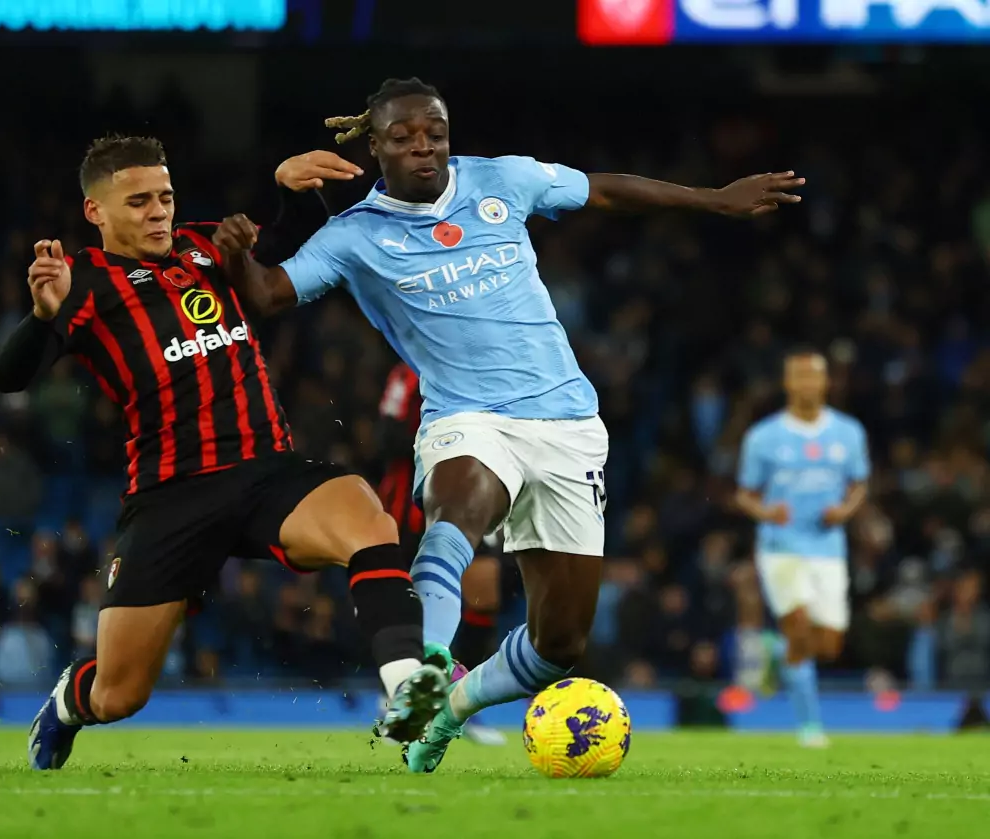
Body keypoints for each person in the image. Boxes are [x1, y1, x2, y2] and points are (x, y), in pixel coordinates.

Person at [210, 77, 805, 773]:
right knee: (459, 506)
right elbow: (268, 294)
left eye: (434, 132)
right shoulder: (353, 237)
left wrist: (713, 200)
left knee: (561, 641)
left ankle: (453, 707)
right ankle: (425, 667)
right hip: (467, 415)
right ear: (374, 147)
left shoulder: (504, 180)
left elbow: (604, 189)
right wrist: (236, 255)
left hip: (569, 424)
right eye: (403, 138)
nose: (423, 147)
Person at [0, 135, 447, 771]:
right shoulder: (82, 282)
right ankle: (69, 702)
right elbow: (11, 377)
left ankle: (409, 691)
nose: (159, 212)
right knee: (119, 694)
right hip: (171, 495)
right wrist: (42, 318)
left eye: (166, 197)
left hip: (267, 471)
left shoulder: (206, 246)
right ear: (96, 212)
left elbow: (291, 240)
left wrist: (295, 190)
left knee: (369, 519)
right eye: (140, 202)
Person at [735, 348, 869, 748]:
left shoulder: (849, 433)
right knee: (797, 626)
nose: (808, 383)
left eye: (815, 376)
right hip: (781, 546)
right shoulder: (763, 437)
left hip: (827, 546)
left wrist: (844, 511)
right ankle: (810, 727)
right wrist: (766, 511)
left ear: (826, 382)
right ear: (787, 383)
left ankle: (774, 653)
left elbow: (859, 484)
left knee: (829, 644)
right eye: (800, 376)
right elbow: (744, 494)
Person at [377, 360, 506, 747]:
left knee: (484, 592)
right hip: (411, 500)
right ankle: (401, 694)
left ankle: (463, 699)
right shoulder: (407, 373)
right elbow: (384, 436)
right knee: (410, 596)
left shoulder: (488, 366)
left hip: (474, 489)